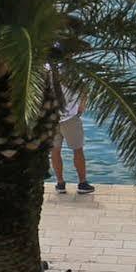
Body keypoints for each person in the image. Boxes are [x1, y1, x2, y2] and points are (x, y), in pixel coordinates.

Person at [47, 48, 92, 196]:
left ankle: (60, 184)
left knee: (55, 151)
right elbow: (84, 88)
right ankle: (82, 183)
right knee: (77, 150)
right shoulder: (72, 70)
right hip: (70, 117)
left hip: (52, 117)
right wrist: (81, 108)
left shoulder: (46, 70)